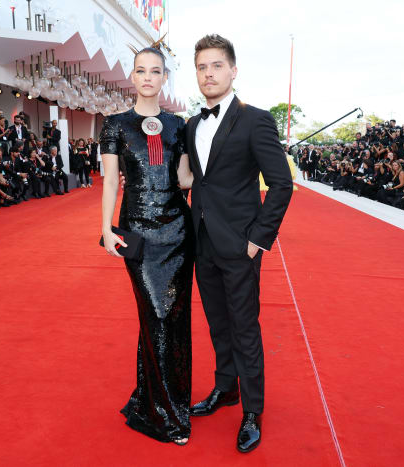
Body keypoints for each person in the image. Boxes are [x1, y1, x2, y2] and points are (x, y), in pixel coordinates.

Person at [185, 35, 293, 453]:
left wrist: (258, 240)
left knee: (245, 327)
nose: (208, 74)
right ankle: (225, 388)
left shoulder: (256, 120)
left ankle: (252, 410)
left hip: (241, 243)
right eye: (201, 67)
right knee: (217, 322)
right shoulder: (194, 124)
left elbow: (281, 183)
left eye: (215, 66)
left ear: (233, 70)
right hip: (204, 242)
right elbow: (199, 180)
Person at [101, 45, 195, 446]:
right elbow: (109, 181)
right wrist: (106, 228)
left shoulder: (179, 125)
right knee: (155, 312)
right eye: (141, 71)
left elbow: (186, 180)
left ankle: (160, 402)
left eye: (155, 71)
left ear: (164, 78)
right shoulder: (114, 125)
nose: (148, 78)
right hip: (137, 230)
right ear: (133, 76)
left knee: (174, 317)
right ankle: (165, 413)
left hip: (177, 230)